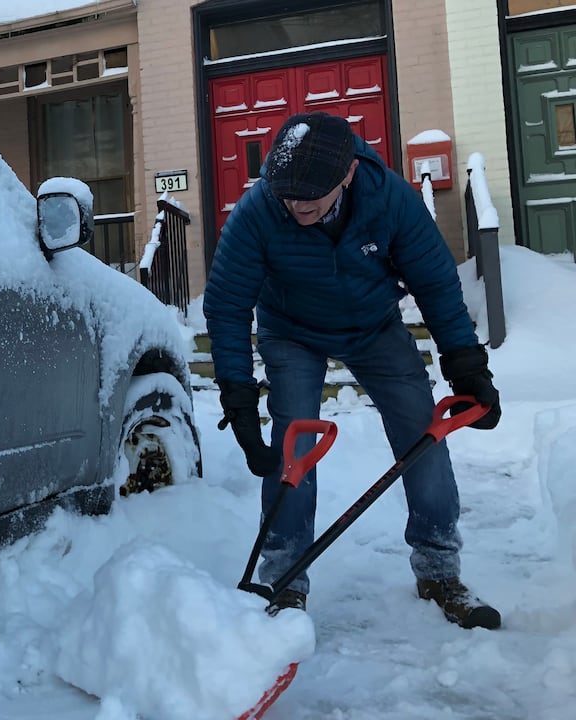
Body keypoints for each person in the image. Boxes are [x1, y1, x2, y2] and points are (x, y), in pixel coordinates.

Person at [202, 112, 502, 629]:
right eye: (288, 195)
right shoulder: (259, 209)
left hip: (373, 327)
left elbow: (435, 283)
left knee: (422, 433)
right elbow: (227, 304)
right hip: (291, 331)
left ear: (348, 174)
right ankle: (283, 581)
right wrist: (238, 396)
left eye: (311, 195)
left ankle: (439, 571)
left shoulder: (390, 199)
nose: (297, 205)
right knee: (294, 445)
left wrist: (466, 365)